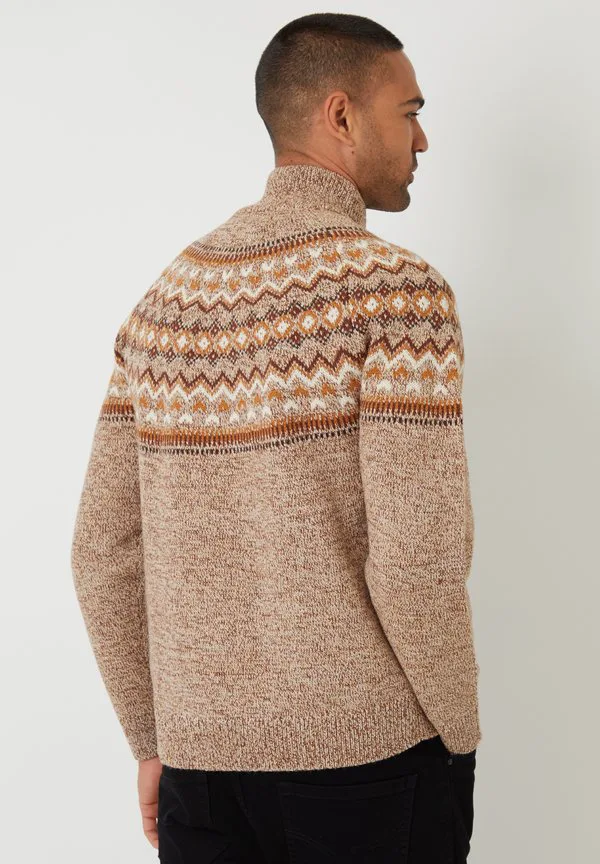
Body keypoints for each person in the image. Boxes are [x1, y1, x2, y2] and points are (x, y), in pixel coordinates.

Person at [71, 12, 482, 863]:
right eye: (409, 112)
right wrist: (457, 731)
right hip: (369, 764)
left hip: (200, 771)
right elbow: (416, 556)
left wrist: (153, 739)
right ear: (341, 115)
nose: (423, 139)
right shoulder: (398, 295)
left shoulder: (163, 307)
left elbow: (100, 551)